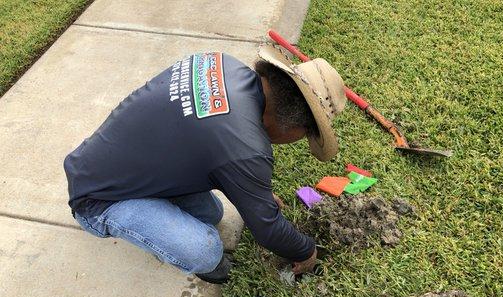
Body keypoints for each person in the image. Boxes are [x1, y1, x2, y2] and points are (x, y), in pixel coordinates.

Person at [63, 43, 346, 284]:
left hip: (102, 162)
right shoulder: (244, 147)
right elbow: (267, 229)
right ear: (292, 124)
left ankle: (154, 204)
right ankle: (117, 219)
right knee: (206, 251)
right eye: (305, 135)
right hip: (97, 198)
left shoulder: (223, 65)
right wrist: (306, 252)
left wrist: (249, 188)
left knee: (212, 213)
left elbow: (209, 141)